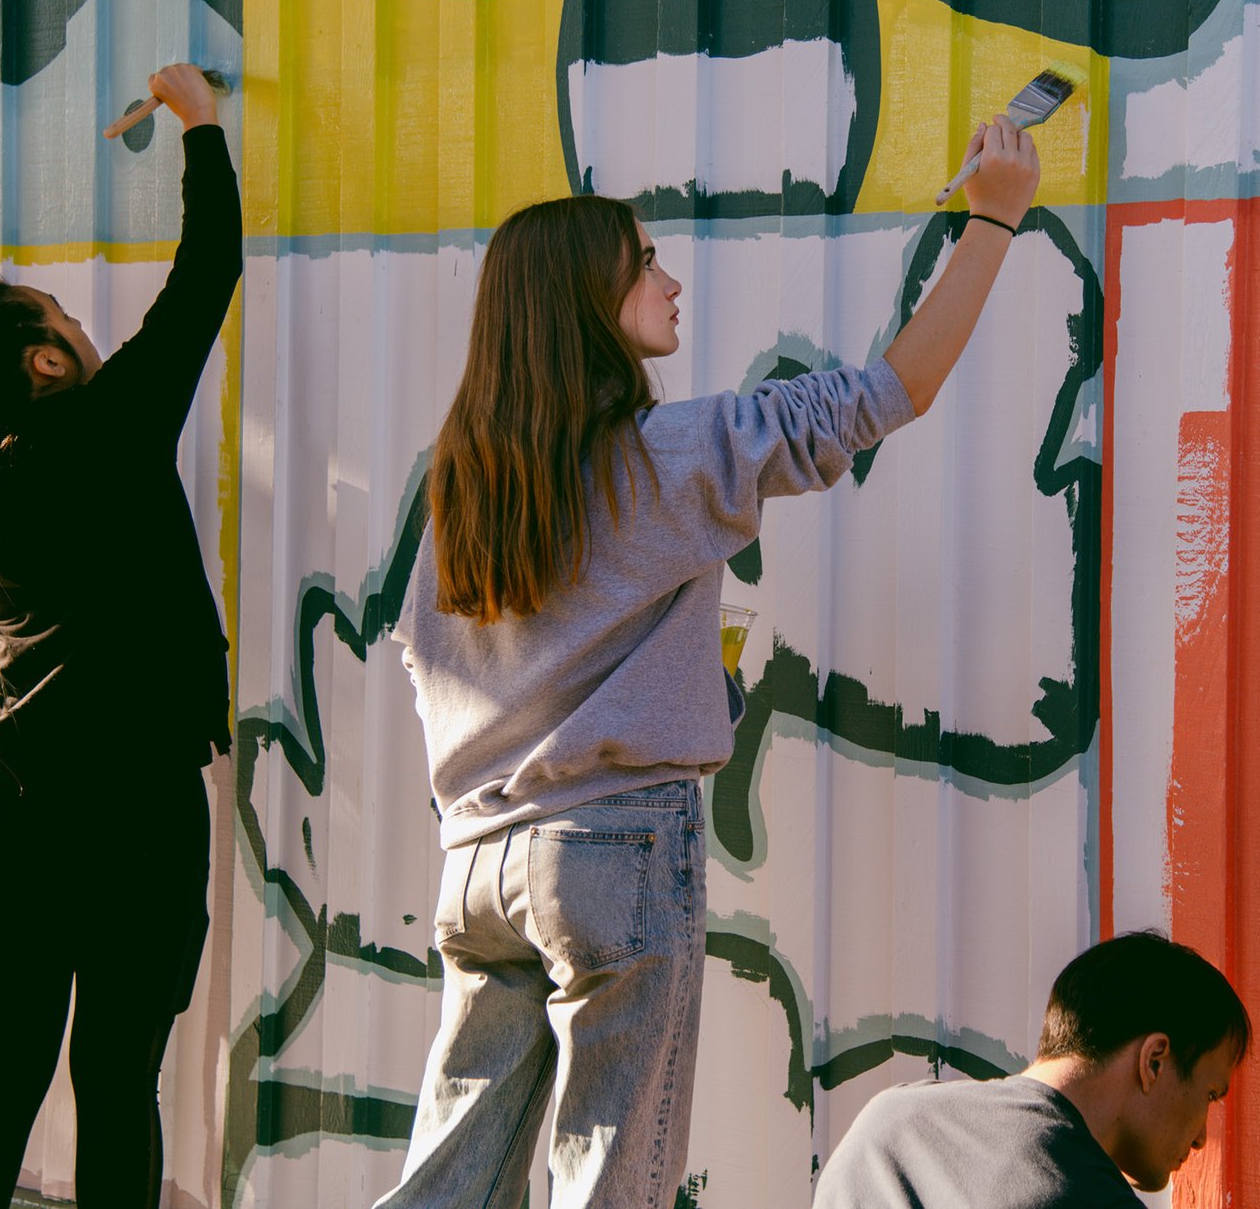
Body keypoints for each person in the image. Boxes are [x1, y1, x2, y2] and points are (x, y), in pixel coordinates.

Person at [375, 116, 1041, 1208]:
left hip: (477, 863)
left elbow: (425, 663)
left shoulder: (465, 489)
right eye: (644, 262)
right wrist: (993, 220)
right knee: (611, 1179)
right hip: (612, 848)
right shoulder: (676, 454)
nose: (671, 281)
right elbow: (888, 393)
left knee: (449, 1181)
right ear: (591, 299)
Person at [0, 64, 239, 1207]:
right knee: (116, 1079)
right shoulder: (108, 430)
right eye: (68, 320)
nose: (85, 328)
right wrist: (203, 125)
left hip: (0, 805)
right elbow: (205, 277)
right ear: (44, 360)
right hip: (127, 799)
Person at [812, 931, 1252, 1208]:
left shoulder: (888, 1125)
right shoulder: (1087, 1197)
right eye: (1210, 1095)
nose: (1200, 1137)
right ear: (1154, 1060)